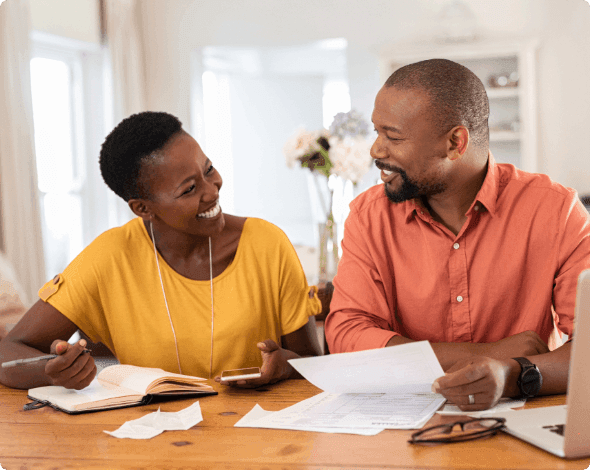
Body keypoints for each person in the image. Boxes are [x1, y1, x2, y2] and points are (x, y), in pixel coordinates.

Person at [325, 59, 590, 411]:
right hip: (404, 425)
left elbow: (587, 345)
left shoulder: (555, 210)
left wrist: (510, 374)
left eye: (393, 136)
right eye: (376, 132)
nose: (376, 150)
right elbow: (347, 333)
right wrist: (484, 355)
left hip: (526, 418)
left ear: (455, 142)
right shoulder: (368, 216)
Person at [0, 111, 322, 390]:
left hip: (260, 443)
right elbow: (9, 350)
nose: (213, 189)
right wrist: (51, 370)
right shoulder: (109, 258)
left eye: (208, 169)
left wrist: (281, 367)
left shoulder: (268, 244)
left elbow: (312, 363)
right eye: (190, 189)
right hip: (151, 443)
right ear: (143, 208)